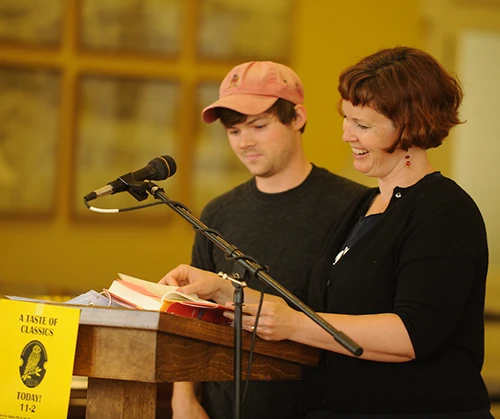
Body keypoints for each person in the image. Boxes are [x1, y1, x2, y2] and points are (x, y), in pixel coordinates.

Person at [162, 46, 494, 418]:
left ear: (410, 127)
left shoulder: (444, 210)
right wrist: (227, 290)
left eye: (362, 125)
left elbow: (413, 334)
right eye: (346, 119)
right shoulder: (363, 207)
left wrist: (293, 322)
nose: (346, 135)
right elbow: (319, 310)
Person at [166, 61, 367, 419]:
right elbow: (195, 314)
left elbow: (360, 322)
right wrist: (183, 399)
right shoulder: (218, 212)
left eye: (259, 126)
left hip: (315, 405)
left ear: (297, 118)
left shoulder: (354, 207)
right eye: (234, 131)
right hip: (222, 406)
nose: (245, 143)